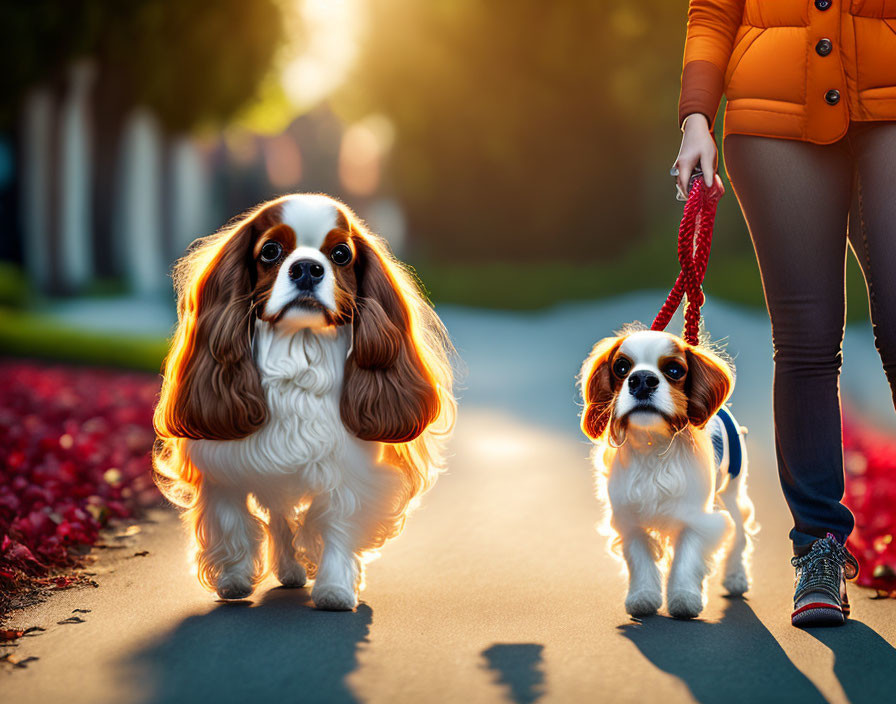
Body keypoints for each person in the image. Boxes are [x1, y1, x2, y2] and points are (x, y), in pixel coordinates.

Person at [673, 0, 896, 627]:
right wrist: (696, 116)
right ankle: (819, 552)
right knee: (805, 342)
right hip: (773, 113)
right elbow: (714, 9)